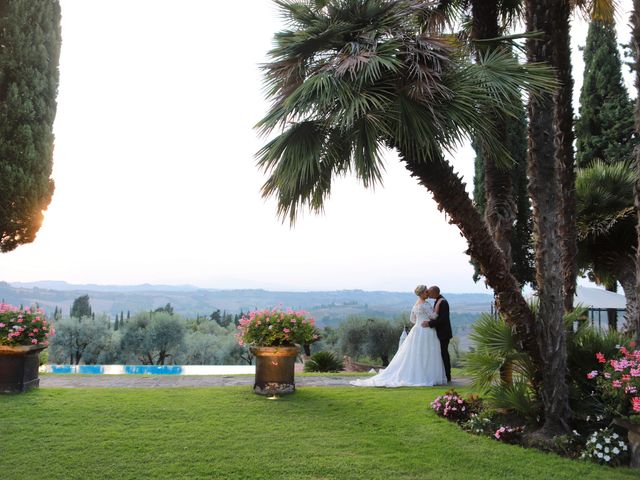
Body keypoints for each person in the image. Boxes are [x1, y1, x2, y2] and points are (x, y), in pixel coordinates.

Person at [350, 285, 447, 387]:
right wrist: (438, 304)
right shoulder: (425, 304)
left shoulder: (416, 304)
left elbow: (412, 320)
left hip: (417, 330)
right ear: (422, 293)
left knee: (416, 354)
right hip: (426, 331)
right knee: (426, 353)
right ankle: (427, 376)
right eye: (426, 292)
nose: (427, 293)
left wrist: (419, 322)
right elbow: (434, 316)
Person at [422, 285, 452, 383]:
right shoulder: (438, 301)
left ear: (435, 292)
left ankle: (447, 376)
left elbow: (442, 319)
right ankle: (443, 375)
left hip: (444, 333)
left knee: (444, 354)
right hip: (439, 332)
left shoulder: (443, 302)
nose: (428, 294)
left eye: (429, 293)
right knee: (440, 354)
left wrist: (429, 324)